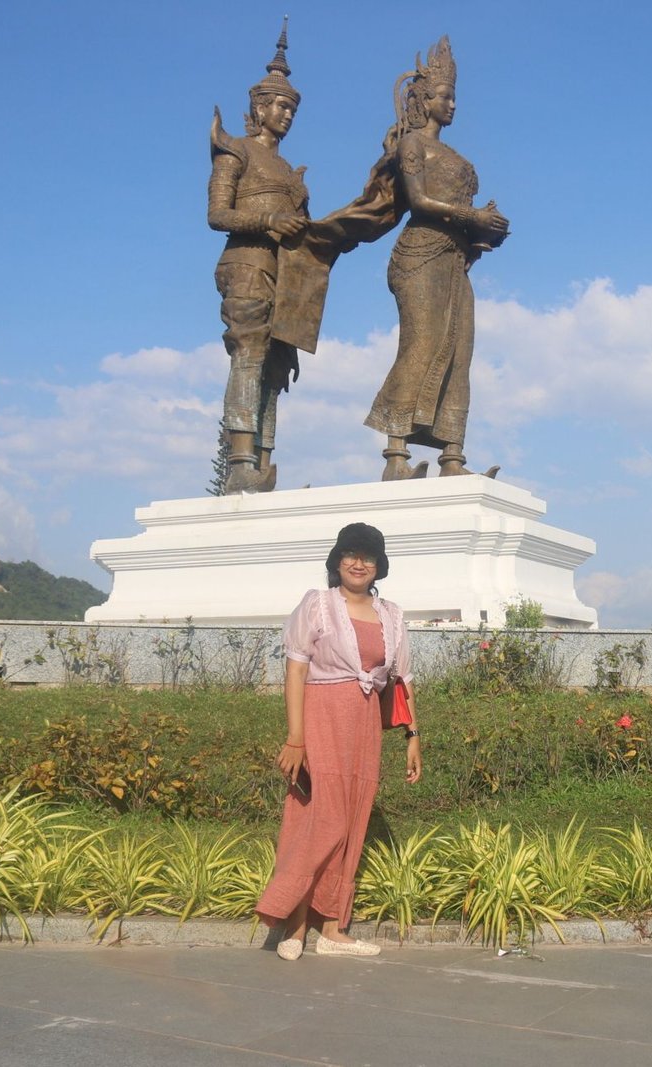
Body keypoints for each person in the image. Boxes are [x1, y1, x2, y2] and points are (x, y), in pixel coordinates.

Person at [255, 522, 421, 958]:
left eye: (368, 556)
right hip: (321, 716)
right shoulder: (317, 605)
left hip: (364, 723)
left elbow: (401, 680)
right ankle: (292, 923)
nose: (358, 562)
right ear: (337, 560)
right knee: (318, 818)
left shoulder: (391, 615)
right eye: (350, 553)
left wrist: (412, 737)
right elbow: (296, 669)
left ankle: (332, 928)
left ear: (379, 565)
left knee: (351, 818)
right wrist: (296, 738)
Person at [362, 36, 510, 481]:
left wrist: (483, 232)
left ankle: (452, 457)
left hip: (454, 260)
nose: (452, 105)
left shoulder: (458, 157)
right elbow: (421, 201)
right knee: (421, 343)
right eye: (445, 97)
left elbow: (462, 217)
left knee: (460, 351)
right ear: (424, 100)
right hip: (419, 255)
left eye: (454, 98)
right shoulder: (412, 146)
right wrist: (470, 214)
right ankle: (395, 455)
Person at [208, 21, 312, 494]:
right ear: (259, 106)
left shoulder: (290, 171)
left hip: (283, 276)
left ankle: (265, 461)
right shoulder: (235, 150)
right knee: (248, 357)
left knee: (275, 369)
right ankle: (240, 460)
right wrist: (269, 222)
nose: (286, 114)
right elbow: (217, 214)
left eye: (291, 107)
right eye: (279, 105)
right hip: (246, 265)